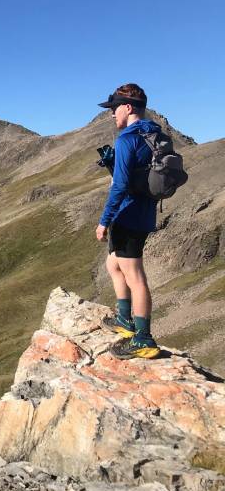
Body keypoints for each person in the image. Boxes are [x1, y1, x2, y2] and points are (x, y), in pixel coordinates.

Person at [96, 83, 161, 359]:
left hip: (127, 215)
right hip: (144, 213)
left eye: (114, 108)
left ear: (128, 107)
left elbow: (120, 186)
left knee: (135, 276)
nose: (112, 114)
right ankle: (125, 318)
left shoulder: (126, 139)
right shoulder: (154, 133)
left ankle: (143, 338)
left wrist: (103, 221)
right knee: (114, 263)